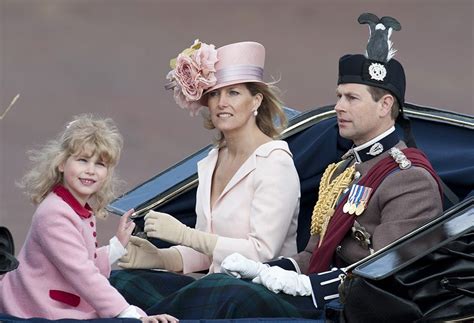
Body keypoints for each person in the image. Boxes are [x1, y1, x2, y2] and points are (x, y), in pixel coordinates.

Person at [144, 13, 444, 319]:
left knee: (223, 291)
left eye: (352, 98)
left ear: (385, 106)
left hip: (344, 309)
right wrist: (265, 272)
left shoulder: (409, 179)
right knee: (149, 283)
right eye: (339, 96)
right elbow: (313, 255)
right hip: (316, 293)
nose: (339, 106)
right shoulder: (342, 170)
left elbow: (378, 276)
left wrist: (298, 284)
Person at [111, 40, 300, 309]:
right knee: (123, 283)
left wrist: (183, 234)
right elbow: (206, 253)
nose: (222, 103)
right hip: (217, 287)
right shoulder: (211, 161)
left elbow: (261, 253)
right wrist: (159, 259)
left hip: (263, 290)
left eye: (233, 93)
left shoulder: (274, 162)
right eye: (213, 94)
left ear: (256, 100)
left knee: (211, 289)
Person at [0, 114, 177, 322]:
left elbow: (83, 259)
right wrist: (127, 314)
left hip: (59, 301)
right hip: (38, 308)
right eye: (83, 160)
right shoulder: (54, 214)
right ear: (62, 164)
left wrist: (117, 247)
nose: (91, 171)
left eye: (100, 164)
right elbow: (82, 272)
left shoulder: (75, 207)